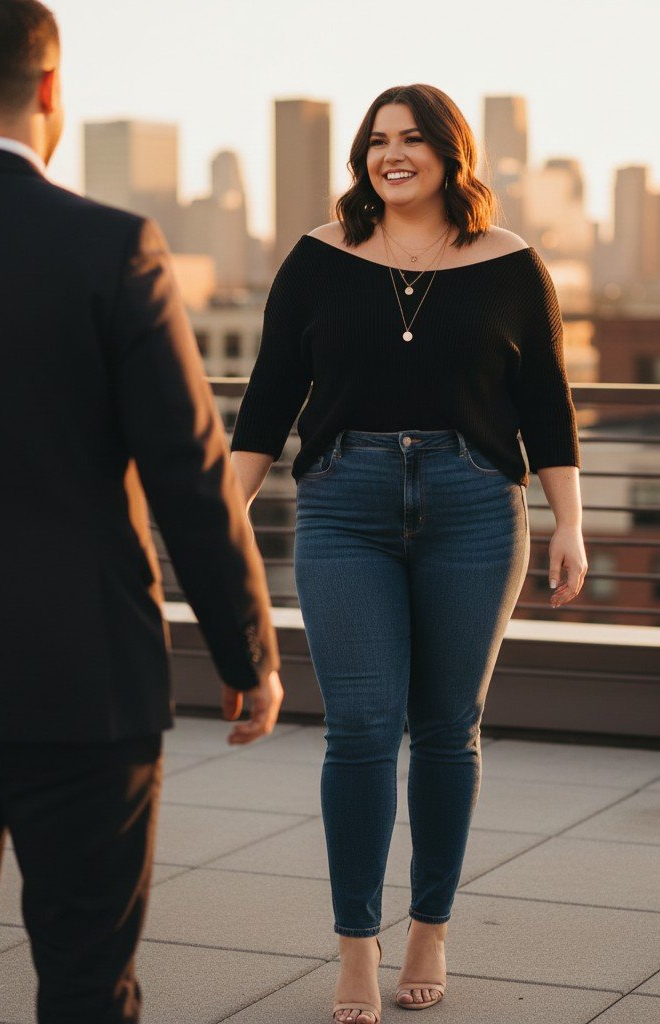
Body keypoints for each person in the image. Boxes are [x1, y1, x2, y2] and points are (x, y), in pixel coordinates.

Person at [231, 83, 587, 1023]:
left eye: (412, 139)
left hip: (477, 506)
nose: (393, 155)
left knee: (444, 729)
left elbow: (546, 404)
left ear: (448, 153)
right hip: (343, 506)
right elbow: (269, 396)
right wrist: (225, 518)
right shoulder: (316, 259)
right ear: (362, 156)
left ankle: (428, 925)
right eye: (377, 141)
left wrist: (571, 523)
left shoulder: (512, 263)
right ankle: (356, 945)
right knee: (357, 729)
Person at [0, 2, 283, 1021]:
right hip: (80, 675)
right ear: (52, 89)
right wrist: (246, 654)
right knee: (83, 977)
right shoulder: (107, 245)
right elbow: (191, 474)